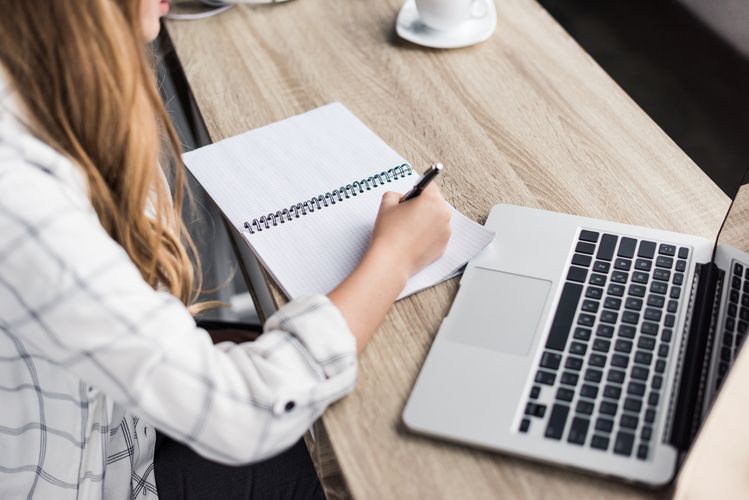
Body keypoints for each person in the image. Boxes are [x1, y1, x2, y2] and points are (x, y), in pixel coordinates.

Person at [0, 1, 452, 498]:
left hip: (108, 419)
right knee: (349, 456)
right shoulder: (22, 199)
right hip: (90, 476)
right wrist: (393, 259)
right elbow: (243, 412)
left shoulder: (41, 81)